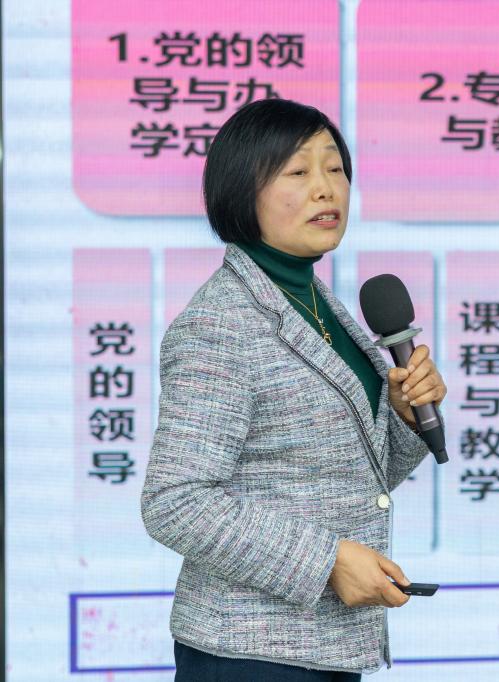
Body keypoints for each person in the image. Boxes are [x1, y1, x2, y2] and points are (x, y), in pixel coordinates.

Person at [141, 98, 447, 680]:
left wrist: (406, 419)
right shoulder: (223, 322)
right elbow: (175, 501)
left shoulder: (318, 303)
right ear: (242, 191)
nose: (326, 188)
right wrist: (327, 562)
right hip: (250, 654)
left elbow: (342, 476)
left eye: (335, 168)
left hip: (329, 646)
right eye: (298, 171)